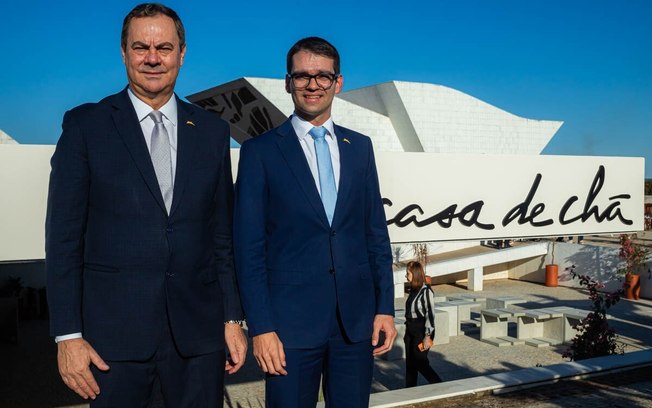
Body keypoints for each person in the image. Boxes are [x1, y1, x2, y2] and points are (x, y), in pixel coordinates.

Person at [45, 3, 246, 406]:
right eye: (141, 47)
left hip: (198, 340)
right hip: (113, 344)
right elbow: (64, 240)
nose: (153, 58)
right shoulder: (86, 126)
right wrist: (68, 336)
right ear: (123, 53)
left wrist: (233, 318)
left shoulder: (211, 131)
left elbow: (222, 235)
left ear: (182, 53)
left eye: (164, 47)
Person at [234, 36, 397, 407]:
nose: (313, 84)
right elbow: (248, 248)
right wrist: (261, 328)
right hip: (288, 329)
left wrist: (385, 307)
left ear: (338, 83)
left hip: (355, 326)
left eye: (323, 76)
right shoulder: (260, 152)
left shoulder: (361, 148)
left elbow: (375, 234)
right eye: (303, 75)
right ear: (288, 82)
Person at [404, 261, 442, 387]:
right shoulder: (413, 289)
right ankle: (410, 390)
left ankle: (439, 385)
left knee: (420, 362)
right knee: (410, 363)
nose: (406, 275)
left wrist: (427, 336)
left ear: (415, 273)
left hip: (422, 330)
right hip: (410, 329)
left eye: (408, 273)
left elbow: (430, 314)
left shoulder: (426, 291)